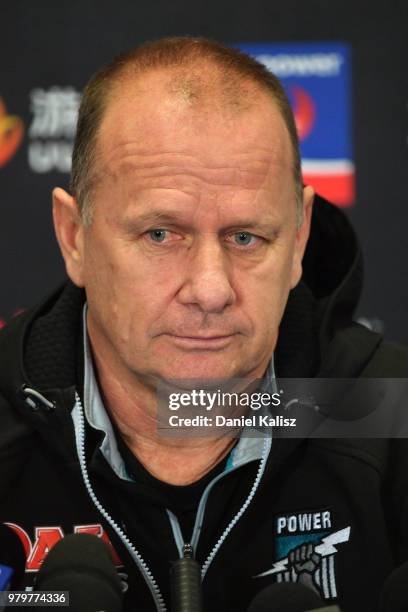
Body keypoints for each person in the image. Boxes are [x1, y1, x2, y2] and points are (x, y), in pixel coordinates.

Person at [1, 37, 407, 612]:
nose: (211, 290)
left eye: (246, 238)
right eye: (161, 235)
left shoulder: (388, 413)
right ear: (75, 238)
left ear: (298, 239)